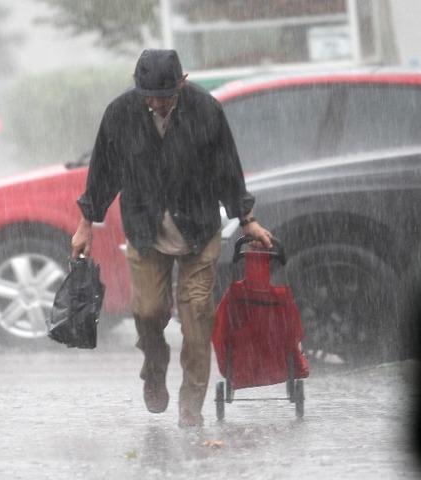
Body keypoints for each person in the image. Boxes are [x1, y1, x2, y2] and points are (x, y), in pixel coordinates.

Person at [71, 49, 273, 428]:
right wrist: (86, 224)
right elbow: (102, 173)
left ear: (182, 82)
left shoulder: (206, 110)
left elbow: (228, 169)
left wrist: (247, 219)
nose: (157, 103)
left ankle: (191, 406)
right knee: (148, 311)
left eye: (165, 96)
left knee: (196, 315)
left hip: (198, 229)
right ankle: (155, 367)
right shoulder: (120, 114)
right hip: (145, 230)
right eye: (149, 96)